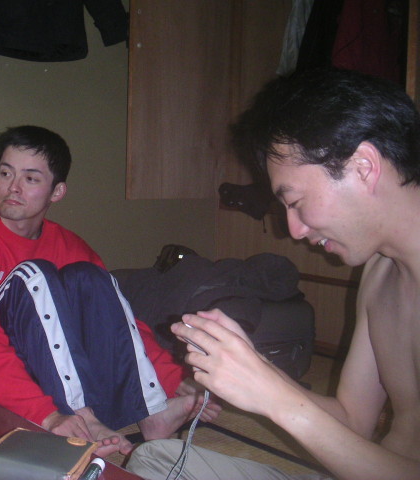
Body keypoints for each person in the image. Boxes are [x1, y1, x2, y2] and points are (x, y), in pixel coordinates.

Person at [127, 68, 420, 479]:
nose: (294, 230)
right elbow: (353, 420)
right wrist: (255, 369)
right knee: (153, 459)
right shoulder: (379, 273)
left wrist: (275, 398)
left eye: (295, 201)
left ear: (363, 167)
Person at [0, 125, 220, 457]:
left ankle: (153, 411)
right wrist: (47, 416)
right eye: (5, 173)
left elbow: (118, 321)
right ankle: (83, 418)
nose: (12, 187)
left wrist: (171, 379)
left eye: (30, 178)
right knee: (35, 274)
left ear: (57, 192)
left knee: (89, 277)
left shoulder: (70, 246)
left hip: (36, 367)